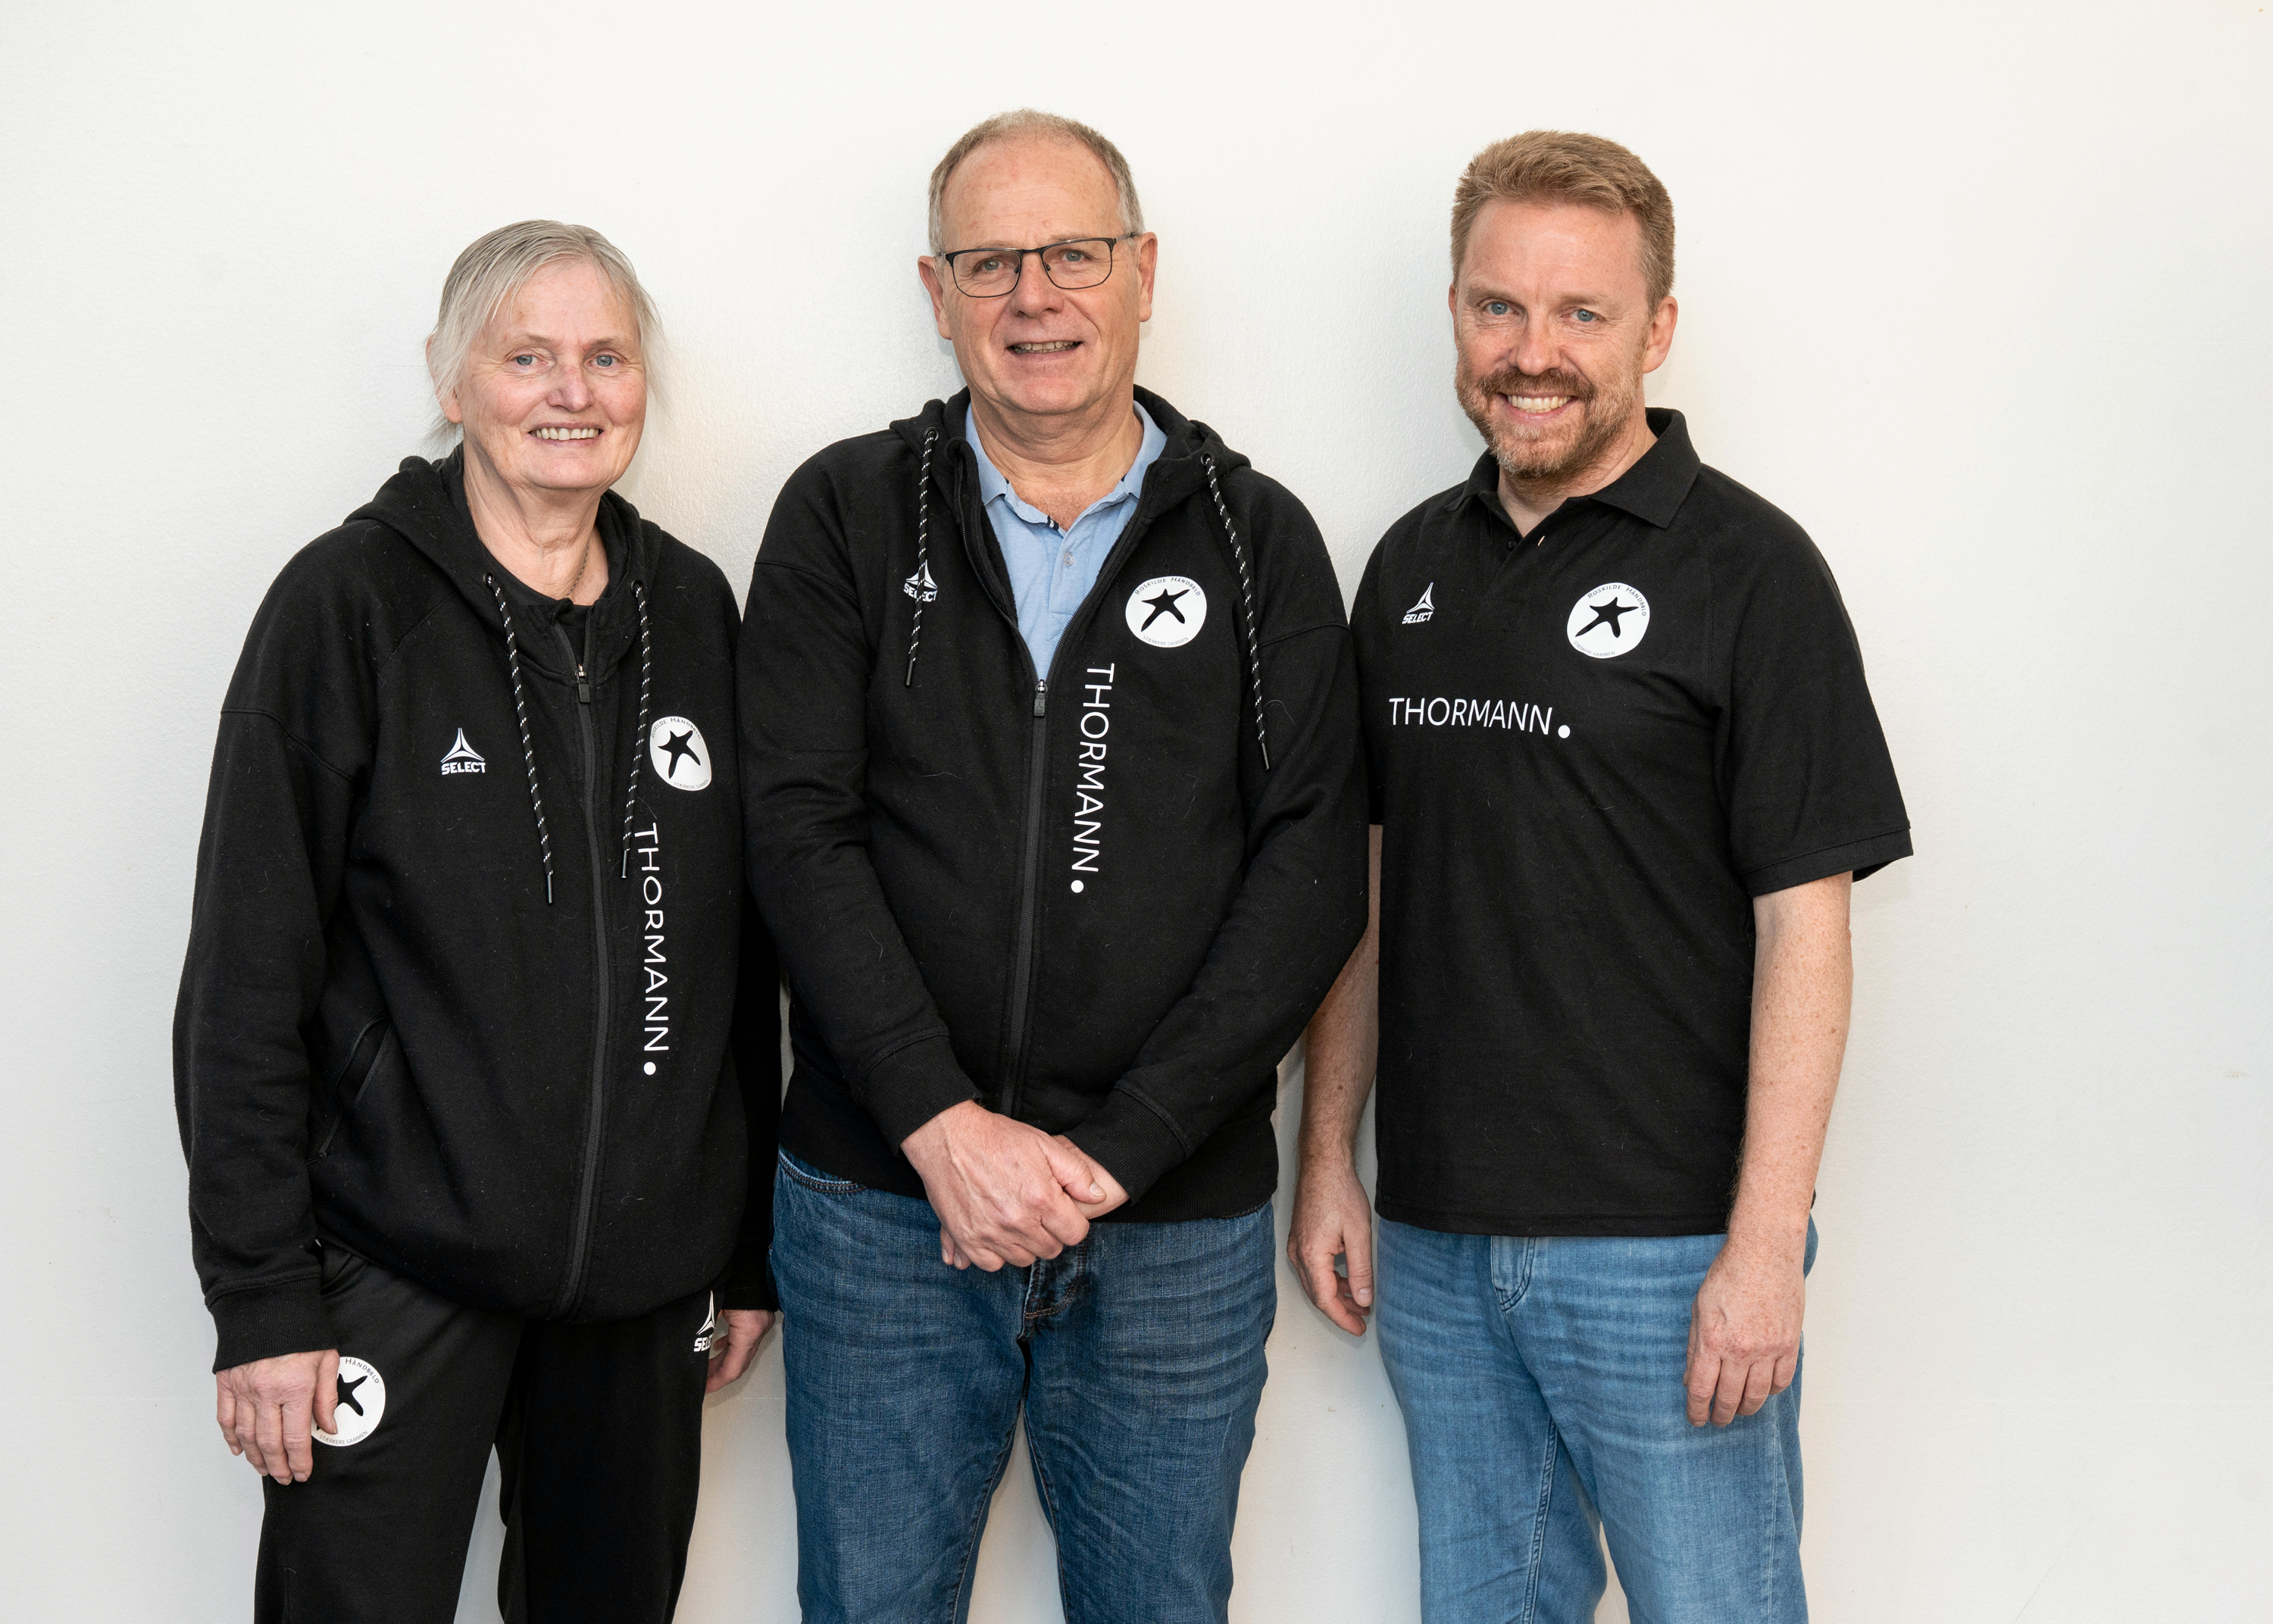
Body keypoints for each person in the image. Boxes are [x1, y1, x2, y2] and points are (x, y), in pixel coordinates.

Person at [739, 110, 1367, 1624]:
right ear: (935, 287)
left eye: (1074, 252)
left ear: (1142, 270)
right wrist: (943, 1131)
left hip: (1172, 1222)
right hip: (882, 1203)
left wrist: (1122, 1149)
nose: (1036, 295)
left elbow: (1311, 872)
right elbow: (793, 831)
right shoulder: (841, 513)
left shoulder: (1256, 538)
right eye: (990, 260)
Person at [1290, 132, 1912, 1623]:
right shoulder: (1404, 571)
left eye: (1582, 315)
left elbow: (1805, 924)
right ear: (1455, 314)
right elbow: (1364, 892)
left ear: (1658, 328)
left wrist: (1767, 1242)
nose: (1535, 354)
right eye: (1500, 307)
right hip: (1437, 1241)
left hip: (1672, 1245)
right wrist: (1329, 1154)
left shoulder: (1752, 572)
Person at [174, 220, 780, 1624]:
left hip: (641, 1289)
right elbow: (244, 980)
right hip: (399, 1266)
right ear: (454, 385)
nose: (571, 391)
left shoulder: (692, 609)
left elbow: (739, 966)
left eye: (606, 356)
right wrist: (262, 1300)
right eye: (528, 356)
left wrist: (738, 1245)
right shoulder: (346, 606)